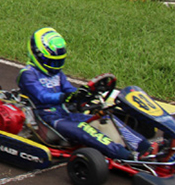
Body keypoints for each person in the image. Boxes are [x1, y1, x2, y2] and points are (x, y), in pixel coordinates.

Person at [18, 28, 150, 160]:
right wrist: (64, 97)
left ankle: (143, 146)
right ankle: (124, 155)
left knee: (106, 118)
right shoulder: (28, 74)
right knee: (84, 129)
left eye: (58, 62)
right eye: (52, 62)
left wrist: (82, 94)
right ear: (37, 55)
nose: (55, 66)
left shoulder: (58, 74)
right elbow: (42, 96)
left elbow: (69, 89)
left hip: (67, 114)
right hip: (48, 119)